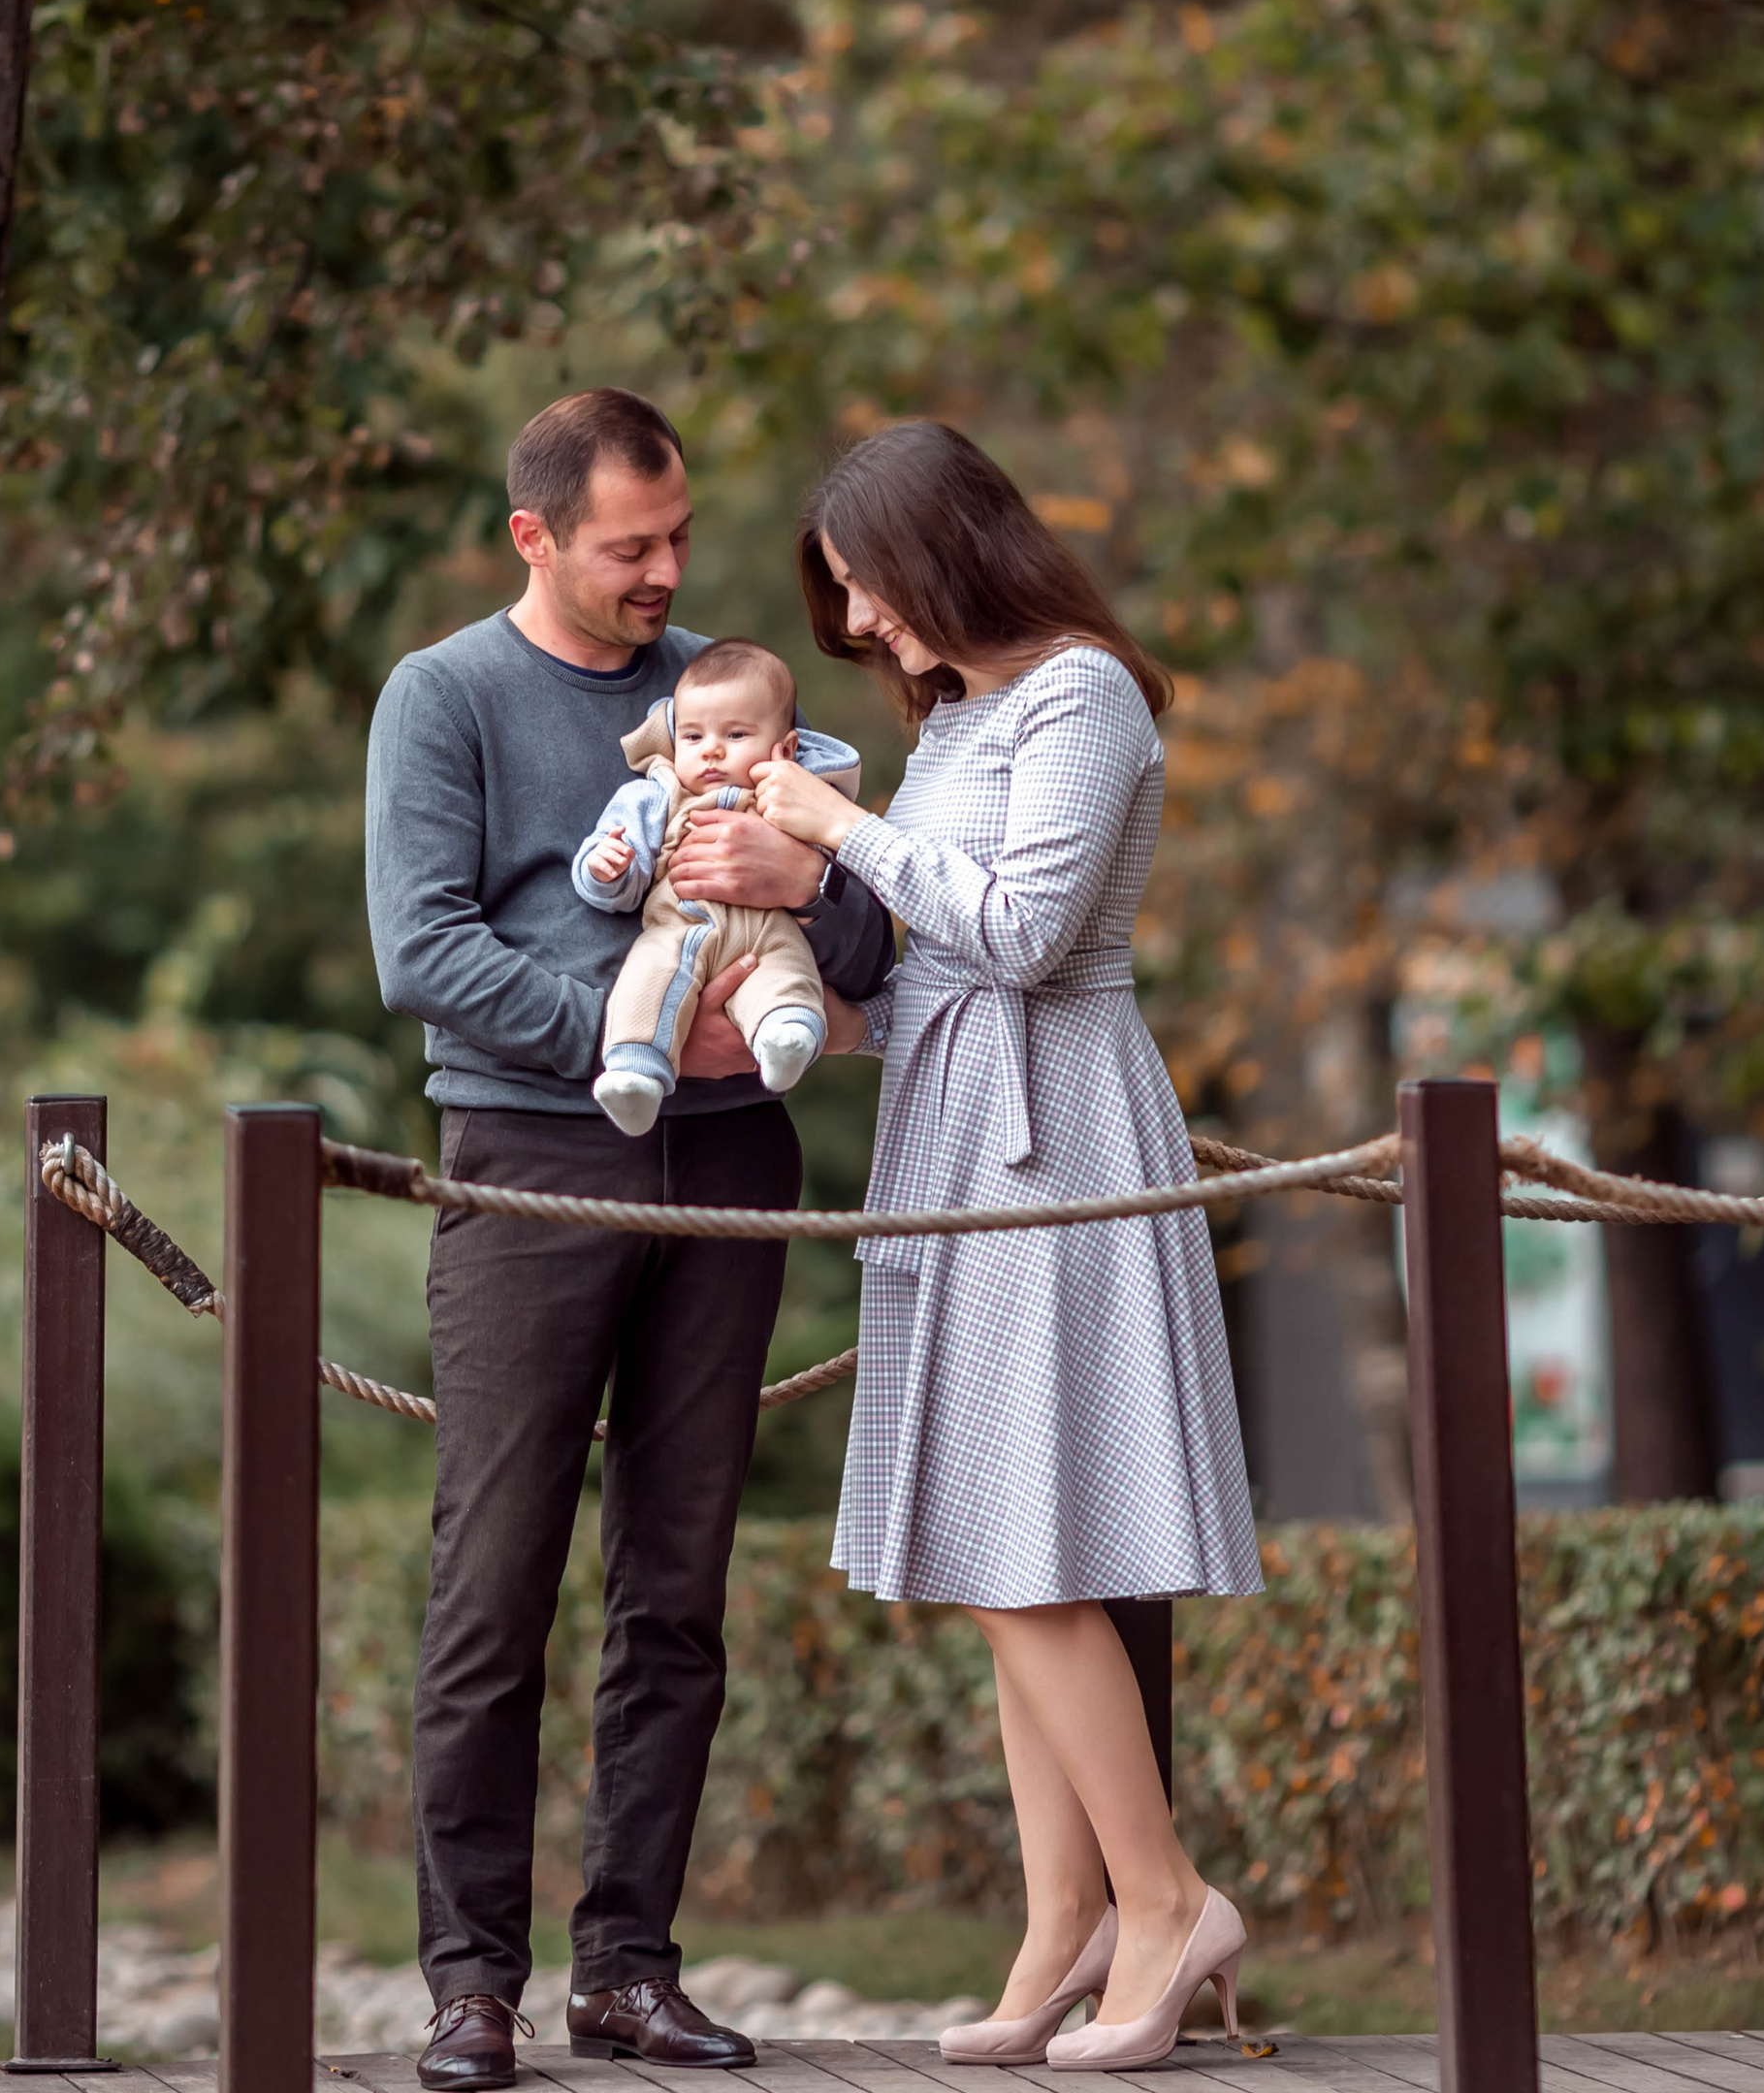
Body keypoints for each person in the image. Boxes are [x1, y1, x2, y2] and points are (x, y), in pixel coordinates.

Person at [365, 389, 890, 2090]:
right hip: (529, 1163)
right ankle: (469, 1986)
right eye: (630, 548)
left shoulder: (741, 696)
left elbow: (871, 923)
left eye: (678, 536)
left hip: (735, 1161)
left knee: (679, 1586)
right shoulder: (443, 698)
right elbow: (423, 953)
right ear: (535, 536)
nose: (671, 571)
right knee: (494, 1582)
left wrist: (799, 899)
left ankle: (628, 1970)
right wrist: (628, 1026)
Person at [751, 419, 1260, 2071]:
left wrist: (836, 834)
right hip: (956, 1123)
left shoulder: (1081, 694)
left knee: (1022, 1548)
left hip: (1061, 1127)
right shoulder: (961, 711)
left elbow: (1029, 937)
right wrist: (795, 989)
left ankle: (1168, 1901)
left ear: (944, 551)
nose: (873, 635)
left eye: (873, 597)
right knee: (989, 1547)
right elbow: (936, 969)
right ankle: (1067, 1922)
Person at [574, 635, 861, 1135]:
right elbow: (624, 861)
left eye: (734, 735)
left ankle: (785, 1037)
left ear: (785, 747)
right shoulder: (654, 795)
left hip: (769, 931)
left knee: (786, 972)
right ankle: (633, 1074)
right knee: (646, 977)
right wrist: (608, 867)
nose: (710, 751)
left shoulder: (800, 795)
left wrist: (808, 866)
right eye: (692, 737)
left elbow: (840, 868)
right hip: (677, 926)